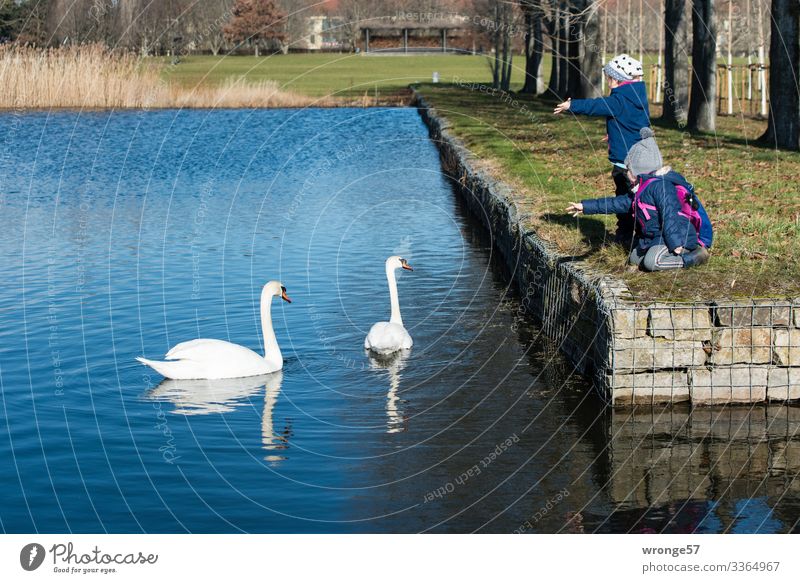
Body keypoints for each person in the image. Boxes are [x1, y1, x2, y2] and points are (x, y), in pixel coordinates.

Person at [565, 128, 712, 271]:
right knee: (634, 258)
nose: (626, 173)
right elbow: (615, 203)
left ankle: (694, 257)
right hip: (655, 238)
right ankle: (661, 256)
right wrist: (584, 206)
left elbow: (670, 214)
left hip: (678, 236)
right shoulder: (639, 192)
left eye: (628, 169)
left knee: (651, 262)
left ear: (637, 171)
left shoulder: (661, 187)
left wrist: (676, 244)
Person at [553, 54, 649, 243]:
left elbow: (597, 105)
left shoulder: (620, 99)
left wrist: (572, 105)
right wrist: (614, 134)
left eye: (608, 78)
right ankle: (638, 231)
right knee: (639, 195)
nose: (607, 81)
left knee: (625, 198)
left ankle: (627, 235)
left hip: (625, 163)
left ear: (616, 79)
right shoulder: (637, 97)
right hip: (642, 157)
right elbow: (636, 124)